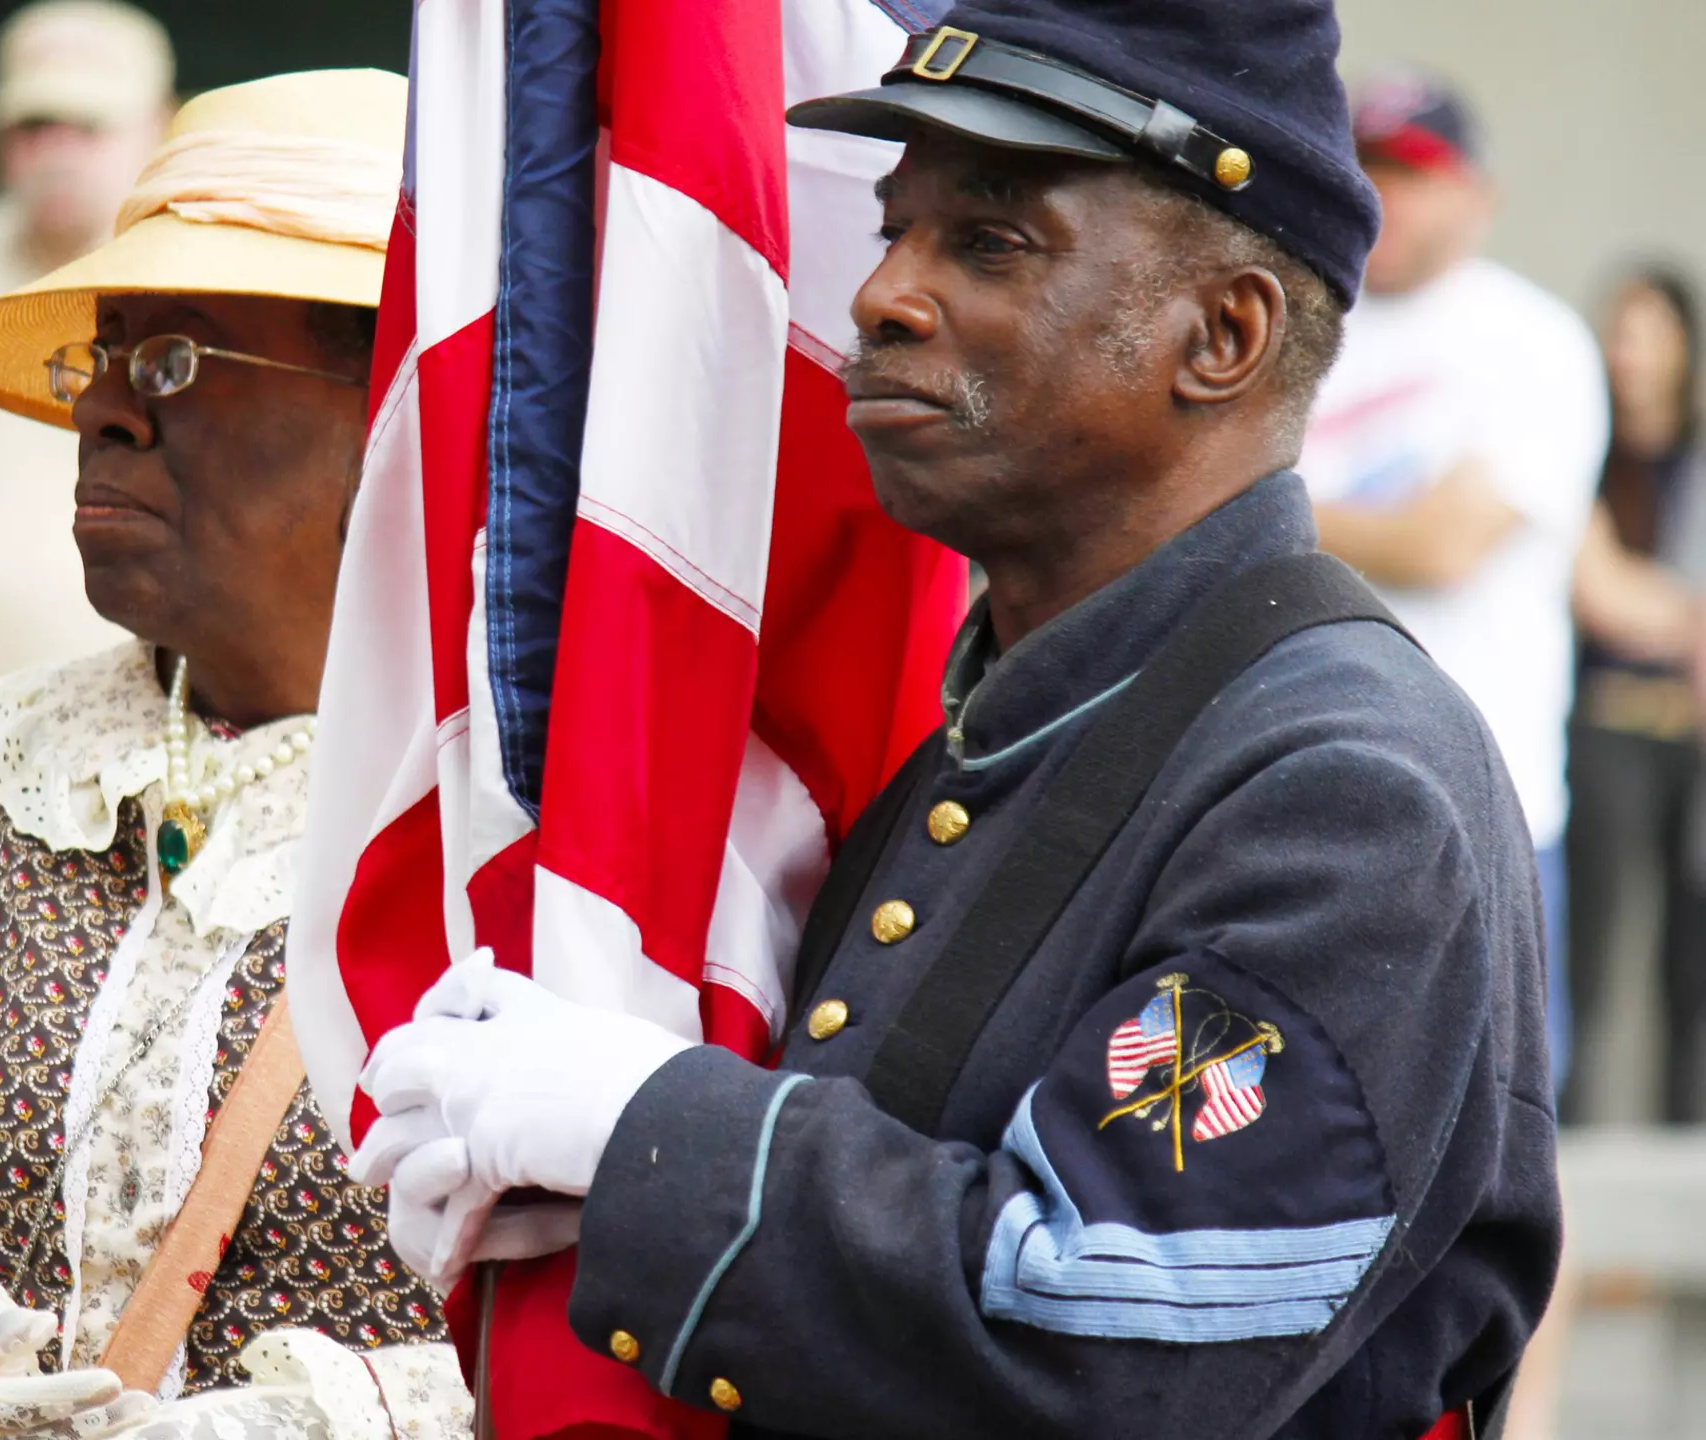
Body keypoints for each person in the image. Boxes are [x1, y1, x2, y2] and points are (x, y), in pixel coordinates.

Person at [352, 2, 1557, 1437]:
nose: (880, 298)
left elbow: (1115, 1343)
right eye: (890, 232)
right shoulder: (1008, 731)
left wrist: (651, 1133)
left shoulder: (1337, 784)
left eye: (986, 242)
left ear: (1222, 334)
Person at [0, 71, 471, 1440]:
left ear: (397, 405)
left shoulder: (535, 837)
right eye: (98, 359)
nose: (102, 412)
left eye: (176, 360)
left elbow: (638, 1330)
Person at [1297, 71, 1609, 1093]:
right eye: (1367, 165)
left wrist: (1266, 508)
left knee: (1497, 1155)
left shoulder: (1530, 341)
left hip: (1483, 808)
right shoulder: (1292, 312)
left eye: (1412, 173)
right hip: (1289, 790)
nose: (1382, 195)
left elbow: (1444, 544)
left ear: (1478, 195)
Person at [0, 0, 174, 754]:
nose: (54, 150)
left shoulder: (191, 277)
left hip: (138, 758)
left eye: (86, 126)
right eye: (30, 126)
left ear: (161, 123)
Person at [1566, 268, 1706, 1122]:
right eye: (1620, 333)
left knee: (1689, 964)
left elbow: (1624, 592)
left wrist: (1644, 601)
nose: (1632, 355)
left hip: (1687, 731)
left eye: (1650, 334)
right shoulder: (1581, 447)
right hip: (1602, 723)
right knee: (1587, 950)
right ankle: (1565, 1144)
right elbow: (1596, 595)